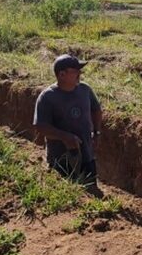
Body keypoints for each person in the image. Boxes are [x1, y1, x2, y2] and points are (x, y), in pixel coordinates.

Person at [33, 54, 104, 197]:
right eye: (75, 71)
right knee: (68, 195)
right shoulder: (47, 97)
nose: (80, 74)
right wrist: (65, 137)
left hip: (87, 154)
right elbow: (40, 126)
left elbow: (96, 110)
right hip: (61, 158)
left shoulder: (85, 90)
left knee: (91, 192)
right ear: (61, 74)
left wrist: (97, 132)